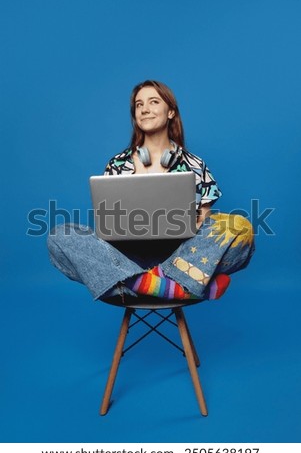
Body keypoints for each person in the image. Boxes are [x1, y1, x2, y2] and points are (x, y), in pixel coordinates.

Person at [47, 80, 255, 303]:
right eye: (138, 105)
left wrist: (190, 224)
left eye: (153, 102)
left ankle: (147, 282)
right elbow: (107, 223)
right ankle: (183, 285)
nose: (144, 109)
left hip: (184, 255)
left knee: (240, 227)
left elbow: (203, 220)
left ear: (171, 112)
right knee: (60, 236)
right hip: (126, 257)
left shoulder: (195, 164)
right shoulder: (118, 164)